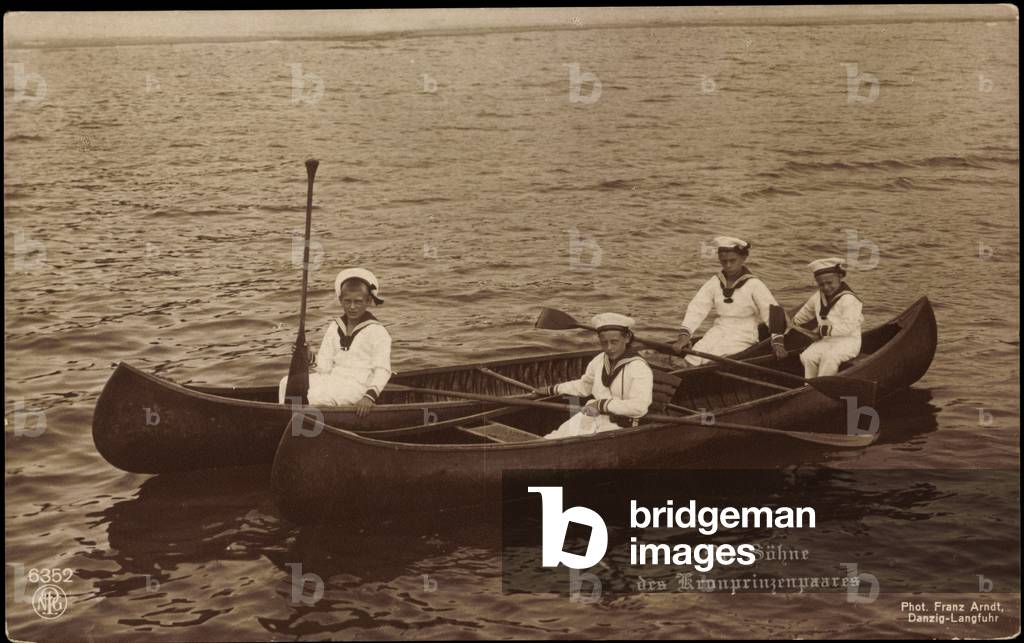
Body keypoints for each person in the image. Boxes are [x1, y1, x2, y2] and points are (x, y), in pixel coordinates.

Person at [278, 268, 392, 417]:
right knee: (286, 383)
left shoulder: (377, 331)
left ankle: (304, 426)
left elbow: (383, 370)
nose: (352, 307)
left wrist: (369, 397)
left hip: (358, 386)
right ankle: (285, 421)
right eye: (347, 301)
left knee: (315, 397)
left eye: (358, 302)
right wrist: (308, 357)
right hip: (333, 378)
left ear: (368, 301)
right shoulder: (335, 327)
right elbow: (325, 367)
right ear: (340, 300)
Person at [672, 236, 786, 366]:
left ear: (743, 259)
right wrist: (684, 335)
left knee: (712, 361)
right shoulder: (715, 282)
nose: (728, 265)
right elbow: (697, 307)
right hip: (719, 329)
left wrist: (777, 341)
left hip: (744, 334)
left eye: (733, 260)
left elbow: (771, 311)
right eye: (724, 261)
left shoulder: (754, 284)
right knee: (692, 357)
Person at [539, 313, 654, 440]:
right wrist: (554, 389)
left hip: (622, 425)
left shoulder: (638, 367)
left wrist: (601, 405)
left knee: (569, 441)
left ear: (627, 338)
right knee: (555, 436)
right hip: (594, 415)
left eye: (614, 342)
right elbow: (585, 386)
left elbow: (639, 407)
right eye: (604, 343)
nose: (609, 348)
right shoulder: (599, 360)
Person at [789, 257, 863, 378]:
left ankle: (821, 386)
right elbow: (805, 313)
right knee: (807, 356)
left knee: (830, 357)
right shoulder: (817, 297)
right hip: (827, 340)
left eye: (830, 283)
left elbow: (848, 327)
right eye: (821, 284)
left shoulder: (849, 299)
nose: (826, 287)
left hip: (848, 341)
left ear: (839, 277)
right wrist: (792, 322)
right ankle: (810, 385)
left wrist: (823, 330)